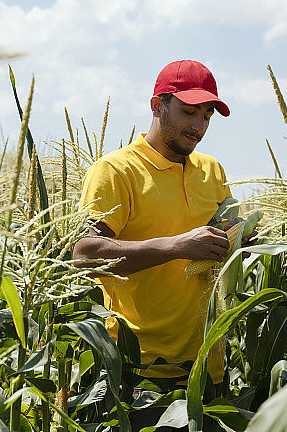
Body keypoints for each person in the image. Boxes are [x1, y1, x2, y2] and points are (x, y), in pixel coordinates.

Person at [72, 59, 238, 430]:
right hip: (141, 373)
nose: (198, 127)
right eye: (189, 112)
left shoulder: (212, 170)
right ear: (157, 106)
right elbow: (85, 255)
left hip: (207, 368)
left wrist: (241, 240)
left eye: (207, 116)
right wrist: (176, 247)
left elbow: (225, 238)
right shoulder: (116, 171)